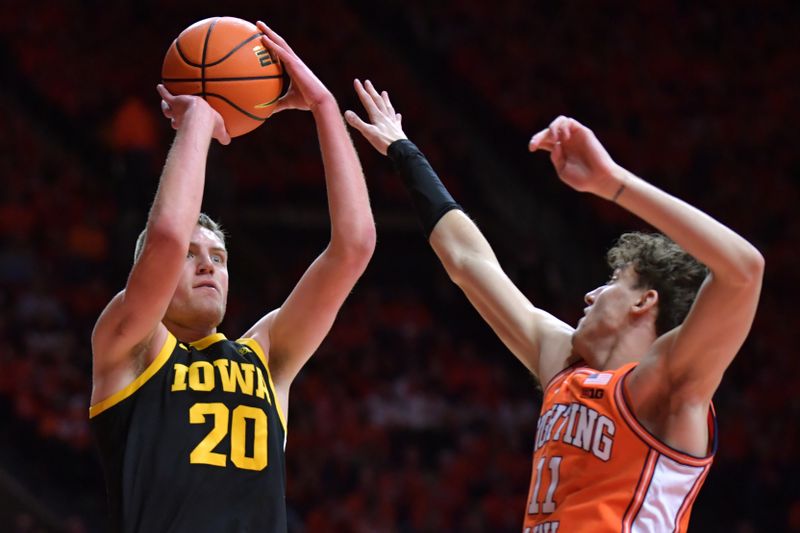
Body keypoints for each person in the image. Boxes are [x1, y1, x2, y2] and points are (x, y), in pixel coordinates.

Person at [345, 80, 763, 532]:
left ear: (645, 300)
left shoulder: (667, 386)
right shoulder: (563, 365)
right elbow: (467, 261)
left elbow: (744, 270)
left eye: (611, 282)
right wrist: (405, 153)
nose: (589, 295)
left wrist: (613, 183)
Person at [89, 23, 376, 533]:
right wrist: (198, 120)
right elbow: (168, 238)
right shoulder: (128, 345)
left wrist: (325, 108)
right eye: (194, 256)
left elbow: (353, 247)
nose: (208, 265)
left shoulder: (265, 356)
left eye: (219, 257)